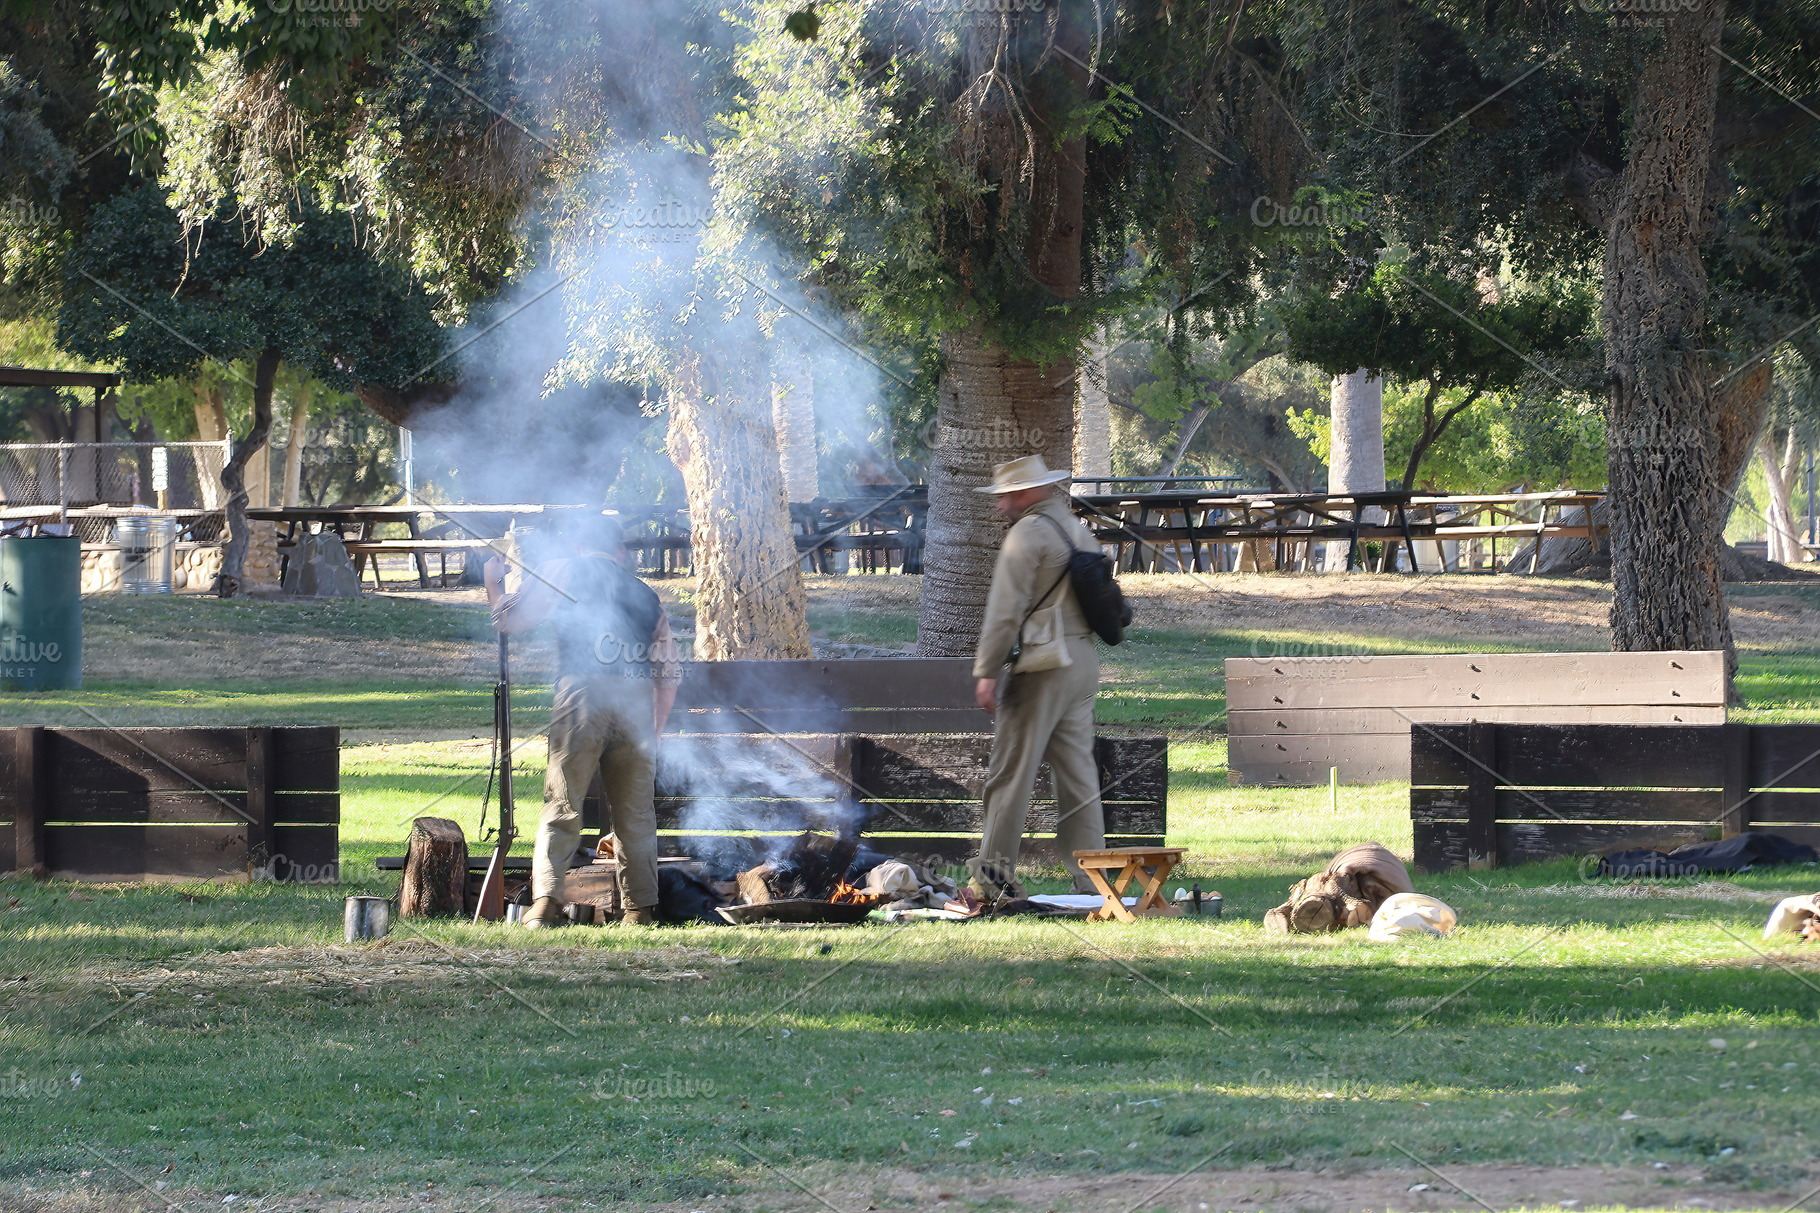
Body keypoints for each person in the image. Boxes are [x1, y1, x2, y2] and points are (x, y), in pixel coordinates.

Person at [485, 513, 682, 927]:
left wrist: (493, 583)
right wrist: (654, 733)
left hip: (582, 694)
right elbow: (667, 674)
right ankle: (640, 910)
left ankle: (545, 906)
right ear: (621, 553)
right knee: (636, 814)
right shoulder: (648, 595)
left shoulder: (563, 570)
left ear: (577, 546)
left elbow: (511, 620)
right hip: (635, 701)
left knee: (563, 802)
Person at [968, 454, 1107, 900]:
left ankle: (992, 881)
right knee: (1078, 775)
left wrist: (987, 672)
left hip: (1043, 664)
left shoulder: (1027, 534)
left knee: (1011, 771)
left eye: (1005, 496)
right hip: (1082, 660)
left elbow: (1004, 612)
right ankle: (1093, 880)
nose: (1000, 505)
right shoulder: (1076, 528)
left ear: (1025, 494)